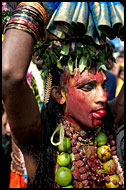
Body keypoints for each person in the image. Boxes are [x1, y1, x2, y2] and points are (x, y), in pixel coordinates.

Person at [2, 2, 124, 188]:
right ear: (60, 94)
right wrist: (36, 7)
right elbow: (9, 74)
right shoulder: (40, 139)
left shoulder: (110, 121)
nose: (102, 97)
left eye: (104, 85)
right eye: (88, 87)